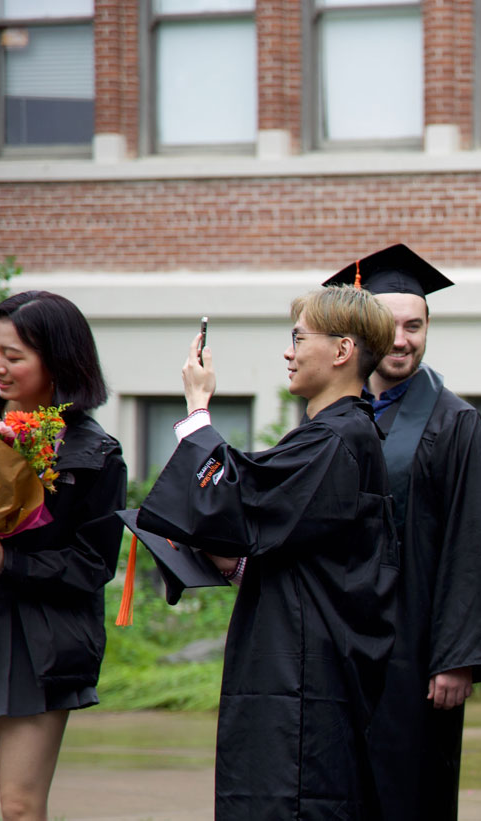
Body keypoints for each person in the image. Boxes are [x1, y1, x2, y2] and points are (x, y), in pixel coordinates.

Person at [137, 286, 399, 819]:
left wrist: (197, 408)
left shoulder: (338, 437)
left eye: (299, 338)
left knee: (291, 799)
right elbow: (304, 555)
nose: (289, 351)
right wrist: (228, 561)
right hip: (294, 658)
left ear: (342, 351)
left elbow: (230, 498)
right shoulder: (336, 434)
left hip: (303, 679)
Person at [320, 245, 481, 820]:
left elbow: (476, 544)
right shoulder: (336, 412)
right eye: (388, 326)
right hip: (342, 646)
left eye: (414, 326)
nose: (401, 340)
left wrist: (457, 657)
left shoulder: (454, 423)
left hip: (416, 655)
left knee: (410, 792)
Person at [0, 292, 124, 821]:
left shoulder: (93, 454)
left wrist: (11, 563)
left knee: (20, 808)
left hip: (37, 643)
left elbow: (94, 565)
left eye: (14, 356)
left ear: (57, 361)